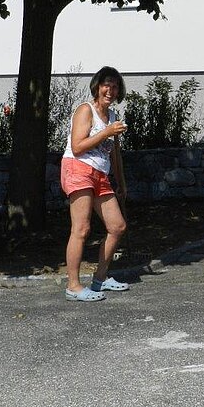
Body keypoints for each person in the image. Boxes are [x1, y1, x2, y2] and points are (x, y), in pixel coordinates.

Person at [61, 66, 130, 302]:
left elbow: (115, 154)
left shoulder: (112, 117)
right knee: (81, 229)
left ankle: (100, 278)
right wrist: (106, 132)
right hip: (78, 168)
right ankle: (73, 286)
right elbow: (77, 146)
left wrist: (121, 182)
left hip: (100, 173)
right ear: (97, 87)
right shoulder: (85, 110)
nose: (110, 90)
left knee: (117, 226)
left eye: (115, 86)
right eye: (106, 85)